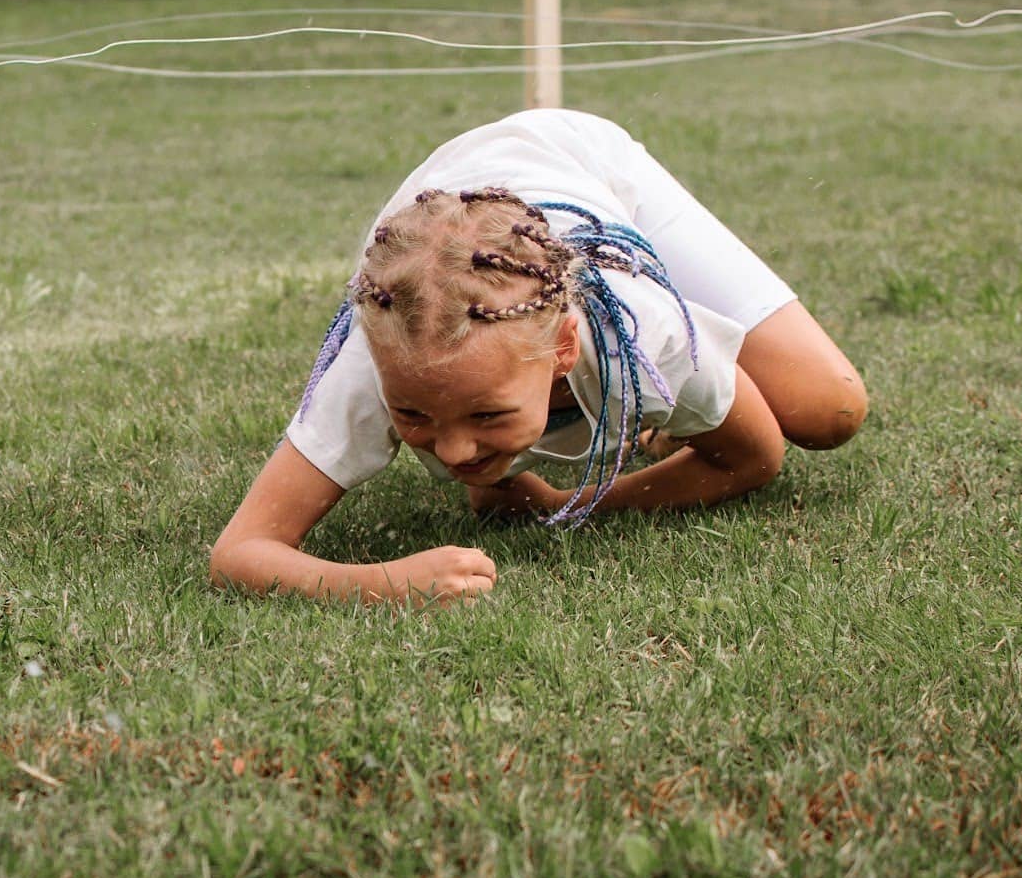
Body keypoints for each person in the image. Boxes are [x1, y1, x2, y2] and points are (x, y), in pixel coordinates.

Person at [209, 110, 867, 605]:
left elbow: (755, 459)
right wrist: (383, 582)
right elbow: (239, 551)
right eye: (413, 414)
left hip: (577, 157)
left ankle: (655, 418)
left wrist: (566, 501)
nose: (456, 452)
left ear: (562, 350)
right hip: (454, 218)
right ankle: (634, 423)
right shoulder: (379, 354)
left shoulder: (639, 333)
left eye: (486, 414)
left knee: (829, 409)